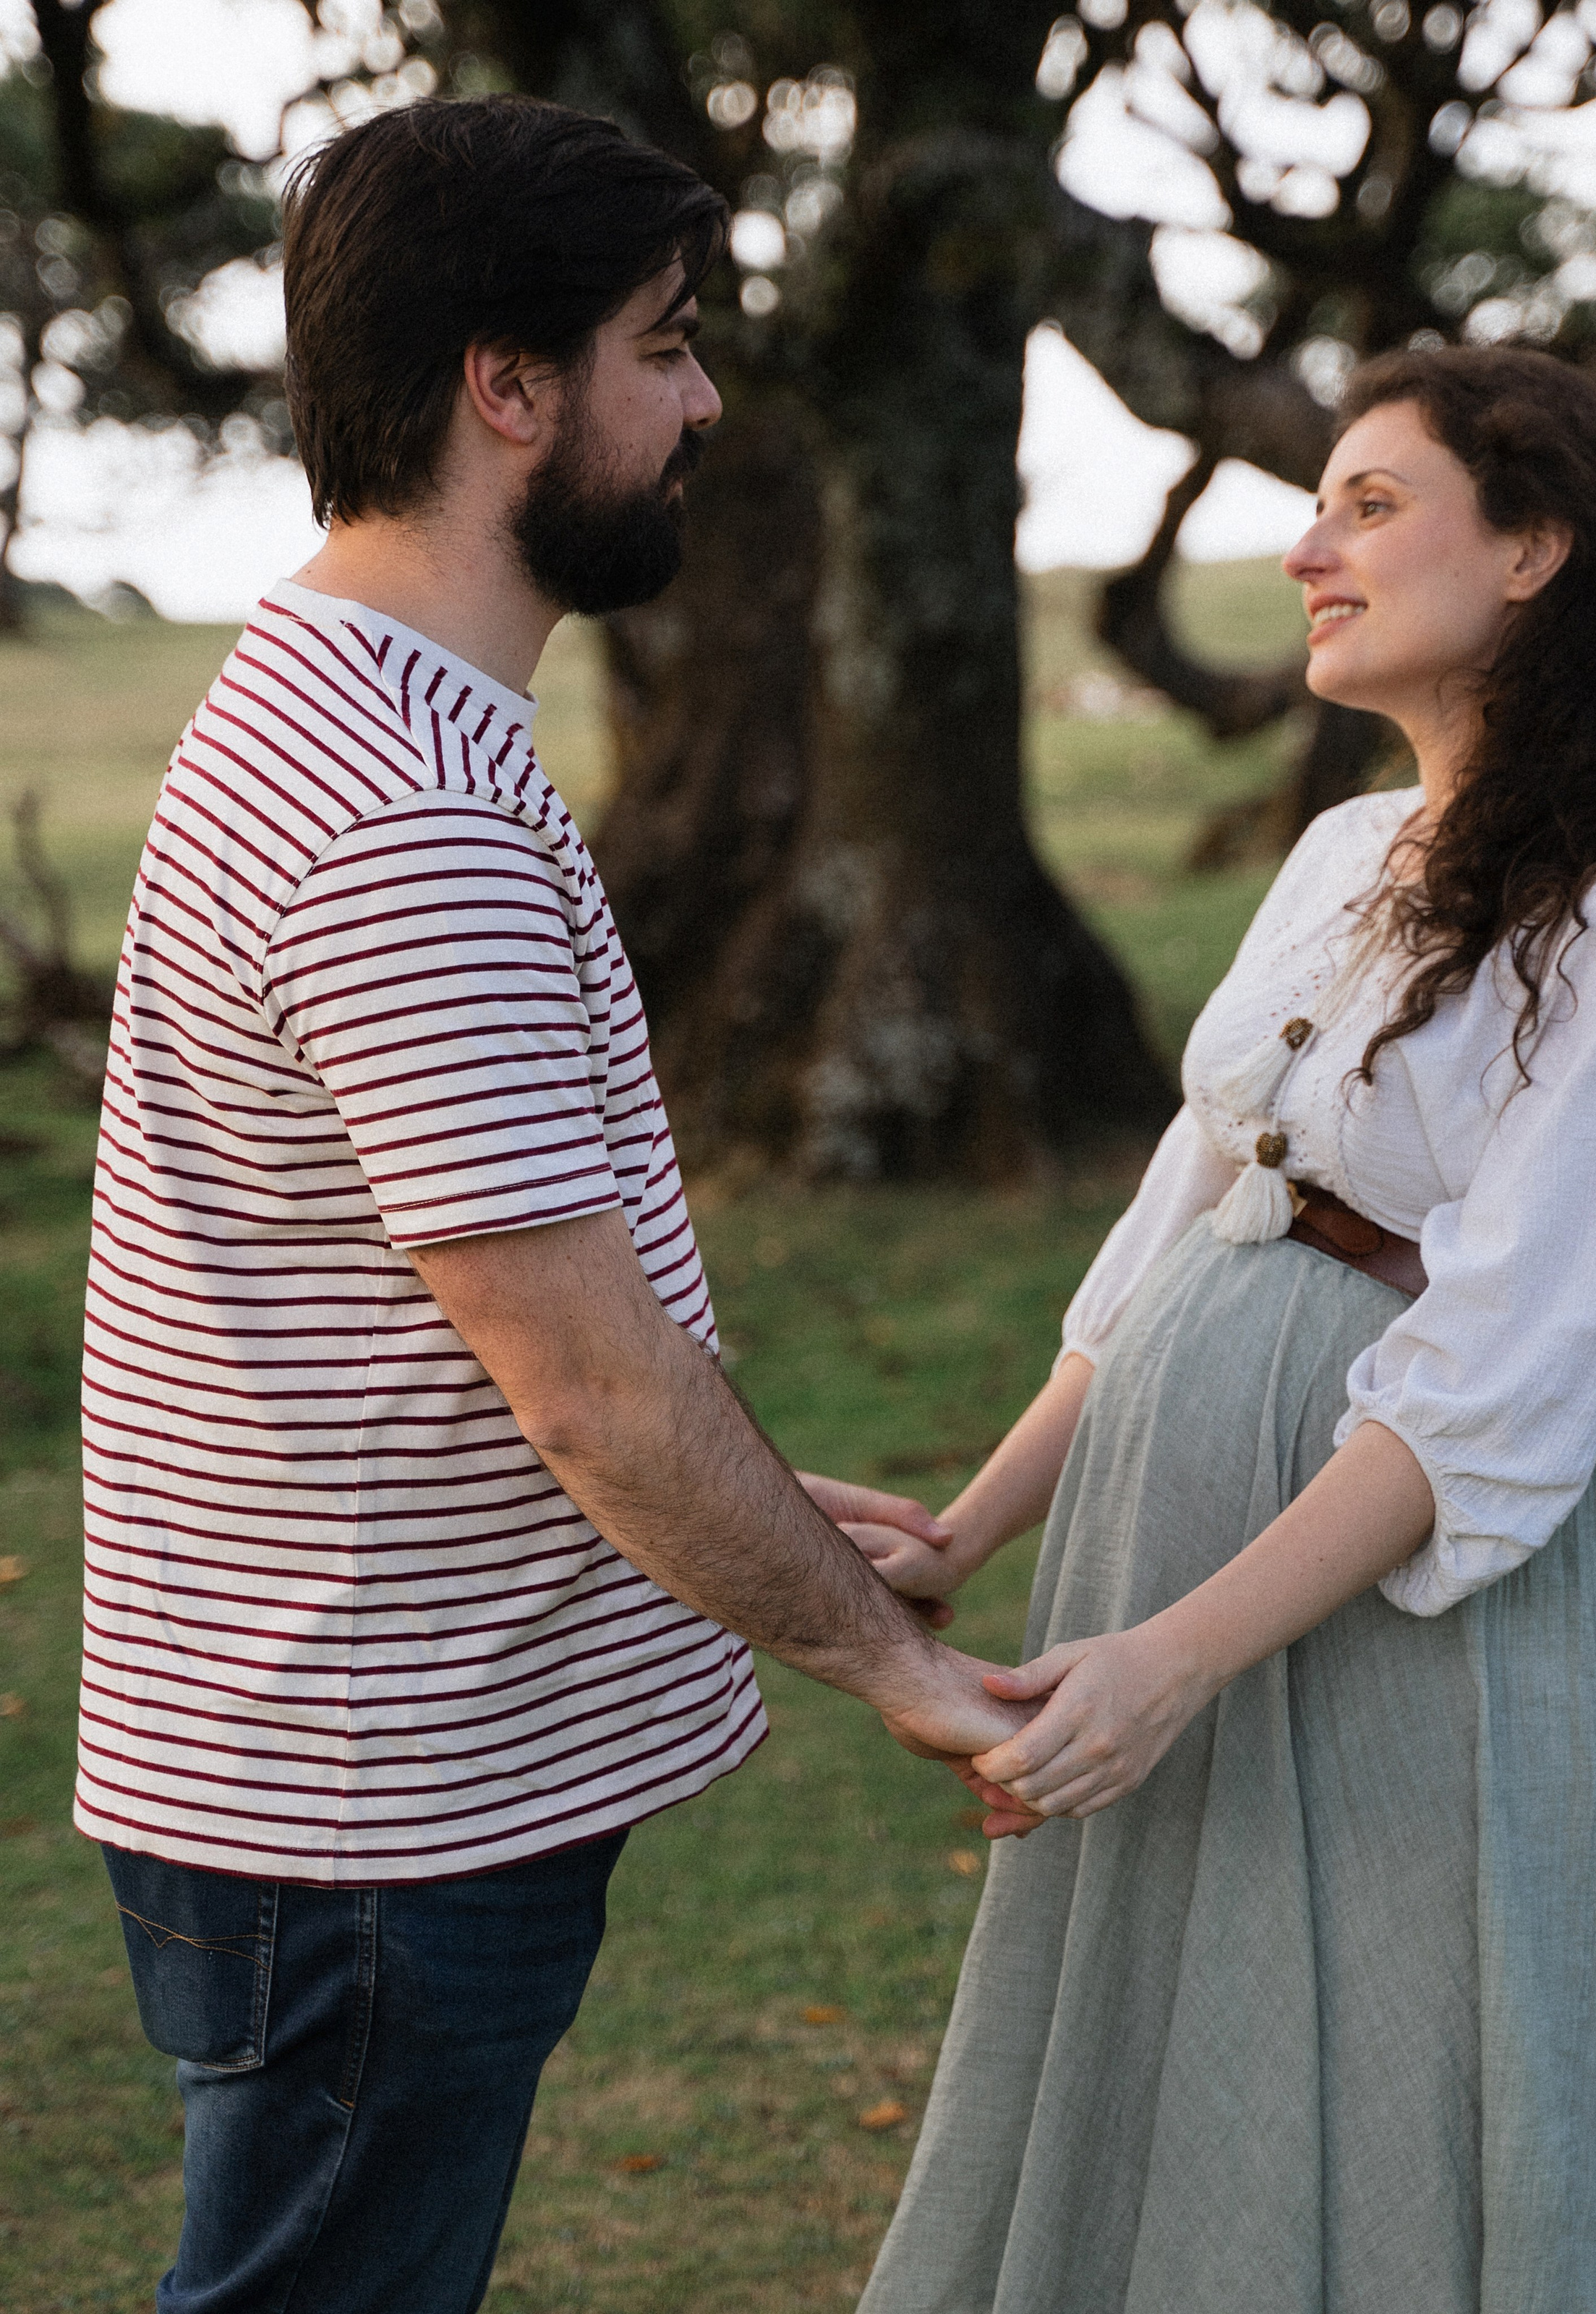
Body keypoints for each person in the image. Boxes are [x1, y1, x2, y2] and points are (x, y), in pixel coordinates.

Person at [76, 95, 1029, 2314]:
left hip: (323, 1772)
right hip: (368, 1818)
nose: (704, 402)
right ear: (508, 387)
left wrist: (774, 1505)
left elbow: (497, 1319)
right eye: (664, 344)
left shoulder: (354, 701)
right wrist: (892, 1664)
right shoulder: (406, 810)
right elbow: (590, 1389)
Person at [847, 346, 1596, 2314]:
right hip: (1173, 1540)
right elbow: (1174, 1226)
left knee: (1420, 2067)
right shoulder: (1346, 854)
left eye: (1373, 504)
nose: (1308, 550)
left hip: (1408, 1594)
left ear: (1534, 545)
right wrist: (971, 1530)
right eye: (1319, 503)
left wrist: (1180, 1662)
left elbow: (1506, 1367)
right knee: (1169, 2064)